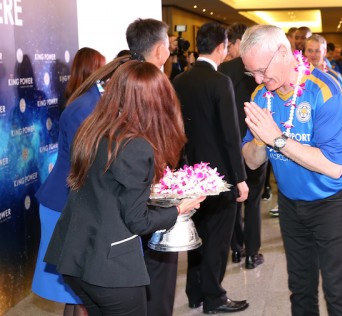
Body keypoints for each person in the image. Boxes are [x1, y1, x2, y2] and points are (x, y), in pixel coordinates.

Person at [44, 61, 205, 316]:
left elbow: (106, 188)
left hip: (75, 258)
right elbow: (138, 221)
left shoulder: (92, 128)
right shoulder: (136, 146)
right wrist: (178, 209)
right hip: (110, 269)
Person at [240, 24, 342, 316]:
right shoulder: (260, 95)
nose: (257, 79)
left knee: (338, 289)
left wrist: (277, 139)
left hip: (332, 200)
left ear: (284, 52)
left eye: (261, 70)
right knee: (300, 287)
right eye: (251, 72)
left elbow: (333, 166)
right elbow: (253, 161)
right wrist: (260, 140)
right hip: (291, 203)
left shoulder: (326, 90)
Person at [172, 22, 249, 314]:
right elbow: (231, 136)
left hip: (190, 172)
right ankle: (214, 297)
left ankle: (195, 292)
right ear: (222, 48)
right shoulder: (220, 82)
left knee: (197, 235)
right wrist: (240, 178)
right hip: (219, 176)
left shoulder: (180, 80)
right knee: (218, 239)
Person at [32, 46, 105, 316]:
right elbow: (85, 162)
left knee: (76, 294)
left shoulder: (89, 101)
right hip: (63, 206)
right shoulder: (83, 107)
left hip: (70, 203)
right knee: (78, 292)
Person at [219, 22, 265, 269]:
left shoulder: (223, 69)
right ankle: (252, 253)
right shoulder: (262, 66)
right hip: (256, 138)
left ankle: (236, 249)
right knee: (254, 199)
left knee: (235, 196)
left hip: (230, 142)